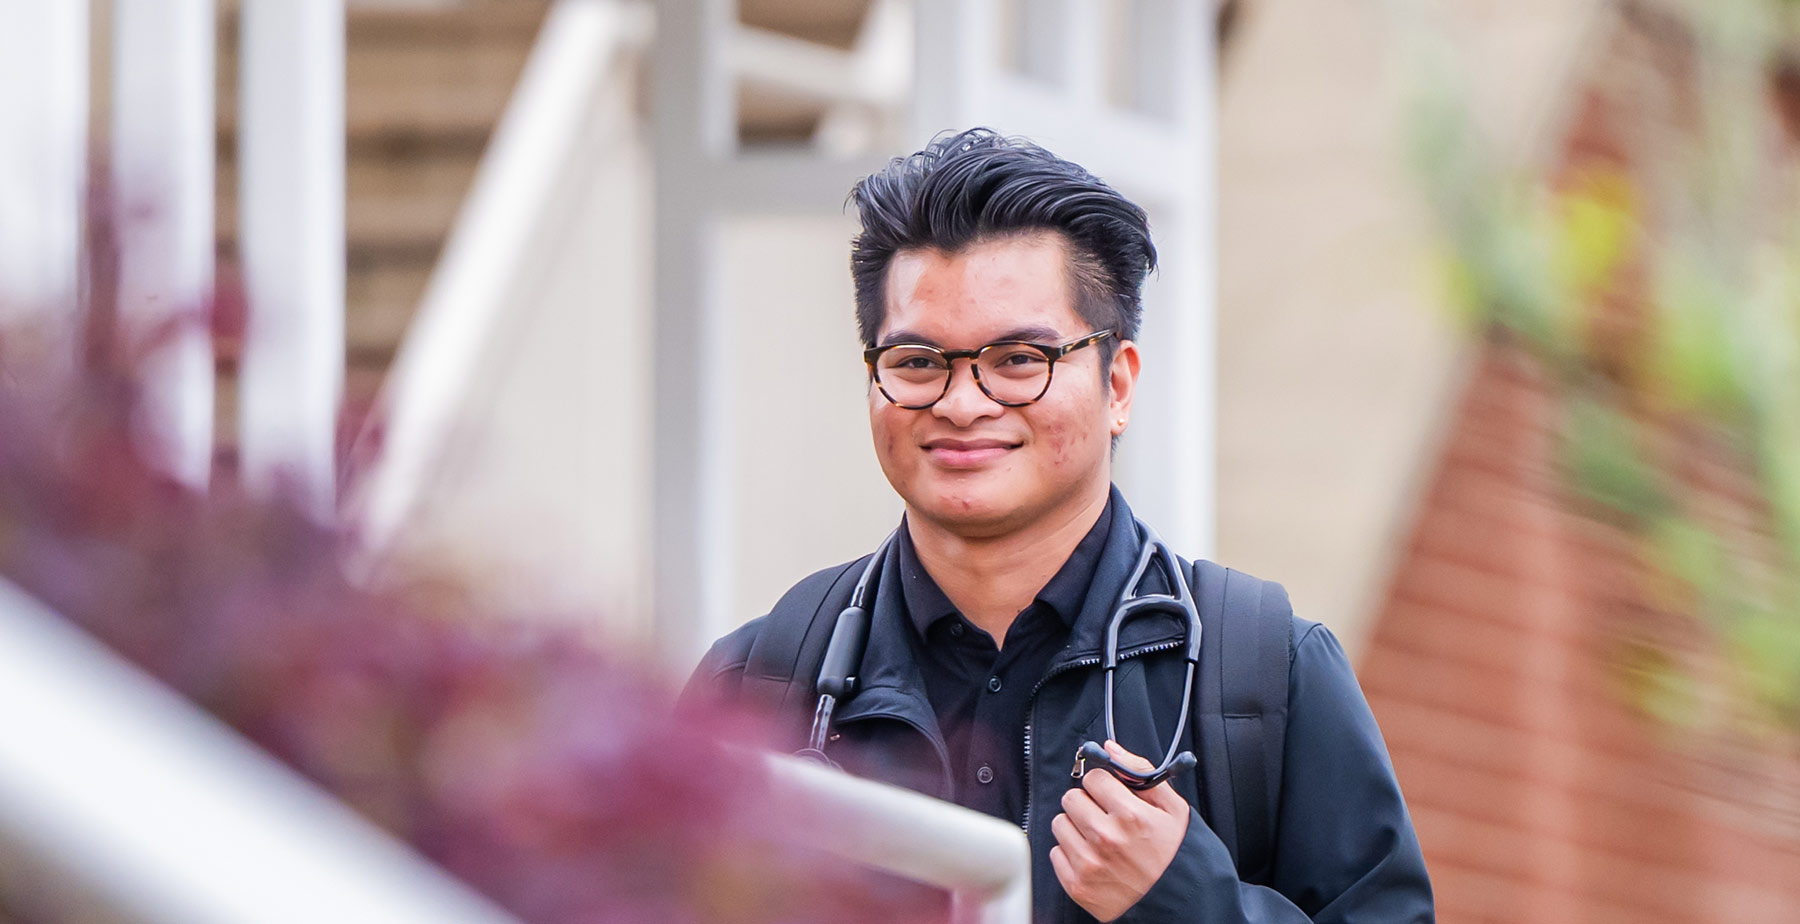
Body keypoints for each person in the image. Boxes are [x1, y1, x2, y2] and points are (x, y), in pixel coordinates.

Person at [684, 128, 1435, 923]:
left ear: (1117, 384)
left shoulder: (1263, 675)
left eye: (1018, 360)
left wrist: (1192, 903)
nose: (962, 403)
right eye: (915, 362)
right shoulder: (757, 686)